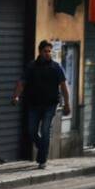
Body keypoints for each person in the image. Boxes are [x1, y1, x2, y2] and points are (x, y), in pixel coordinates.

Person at [11, 40, 71, 169]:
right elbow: (22, 82)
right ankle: (42, 149)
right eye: (45, 51)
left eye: (50, 51)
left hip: (50, 105)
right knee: (32, 131)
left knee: (45, 130)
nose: (48, 54)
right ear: (40, 52)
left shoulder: (56, 67)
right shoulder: (31, 67)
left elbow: (64, 87)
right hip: (34, 104)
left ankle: (42, 160)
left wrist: (67, 104)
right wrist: (16, 96)